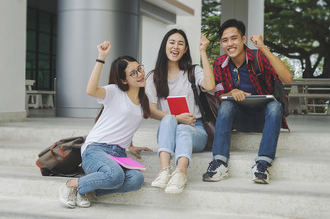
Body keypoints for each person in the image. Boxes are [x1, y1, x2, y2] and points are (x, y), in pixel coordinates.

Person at [58, 41, 152, 208]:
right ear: (123, 80)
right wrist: (101, 58)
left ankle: (86, 189)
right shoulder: (114, 91)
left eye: (140, 68)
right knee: (115, 176)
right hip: (96, 150)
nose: (140, 74)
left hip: (119, 154)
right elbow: (91, 90)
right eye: (133, 73)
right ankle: (71, 185)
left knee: (137, 179)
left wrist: (131, 146)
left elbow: (124, 124)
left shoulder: (143, 101)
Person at [202, 19, 293, 184]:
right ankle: (219, 163)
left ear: (243, 40)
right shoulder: (219, 64)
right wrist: (230, 93)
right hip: (239, 120)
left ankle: (262, 164)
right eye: (225, 40)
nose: (230, 43)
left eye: (234, 38)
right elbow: (218, 94)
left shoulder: (259, 57)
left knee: (274, 106)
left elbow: (287, 78)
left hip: (265, 119)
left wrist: (263, 48)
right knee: (226, 104)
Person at [145, 29, 215, 193]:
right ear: (165, 46)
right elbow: (151, 111)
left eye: (180, 43)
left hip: (195, 129)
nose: (175, 46)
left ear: (185, 50)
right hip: (168, 131)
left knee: (183, 128)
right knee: (169, 119)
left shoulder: (193, 71)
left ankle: (181, 173)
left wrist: (203, 51)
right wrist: (176, 118)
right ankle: (164, 171)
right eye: (172, 42)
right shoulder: (153, 77)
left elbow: (210, 85)